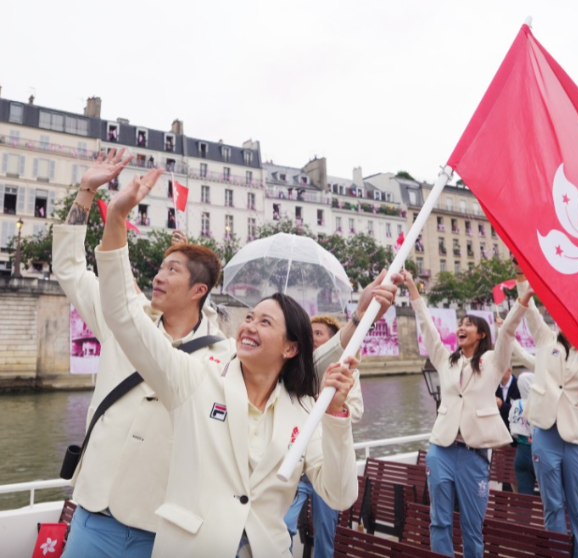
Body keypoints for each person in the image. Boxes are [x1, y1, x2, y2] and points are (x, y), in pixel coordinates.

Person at [94, 171, 398, 557]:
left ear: (290, 349)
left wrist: (336, 418)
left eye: (265, 322)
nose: (249, 326)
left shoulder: (306, 409)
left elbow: (338, 495)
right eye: (249, 317)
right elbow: (123, 315)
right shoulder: (194, 378)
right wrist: (117, 219)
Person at [54, 150, 238, 558]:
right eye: (160, 266)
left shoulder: (224, 358)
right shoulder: (125, 317)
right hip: (93, 515)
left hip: (163, 528)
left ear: (199, 291)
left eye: (173, 270)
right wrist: (86, 194)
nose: (157, 275)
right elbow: (68, 267)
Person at [401, 269, 528, 558]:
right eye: (460, 323)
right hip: (441, 450)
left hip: (473, 454)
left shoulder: (493, 362)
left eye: (469, 324)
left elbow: (507, 333)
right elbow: (428, 327)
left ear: (481, 334)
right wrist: (412, 287)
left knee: (472, 526)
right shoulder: (446, 361)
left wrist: (522, 302)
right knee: (439, 522)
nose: (462, 326)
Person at [517, 273, 578, 558]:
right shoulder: (547, 339)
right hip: (545, 434)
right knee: (553, 506)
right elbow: (531, 312)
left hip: (576, 437)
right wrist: (522, 278)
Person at [284, 316, 365, 558]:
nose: (313, 339)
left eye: (318, 334)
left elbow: (357, 411)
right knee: (283, 524)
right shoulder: (293, 372)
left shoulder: (346, 374)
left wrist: (333, 408)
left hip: (325, 460)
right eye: (310, 334)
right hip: (298, 463)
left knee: (324, 531)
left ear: (334, 342)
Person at [510, 372, 536, 495]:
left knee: (525, 499)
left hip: (520, 452)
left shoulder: (515, 404)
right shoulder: (536, 404)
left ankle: (523, 513)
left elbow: (512, 427)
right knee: (549, 497)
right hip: (536, 452)